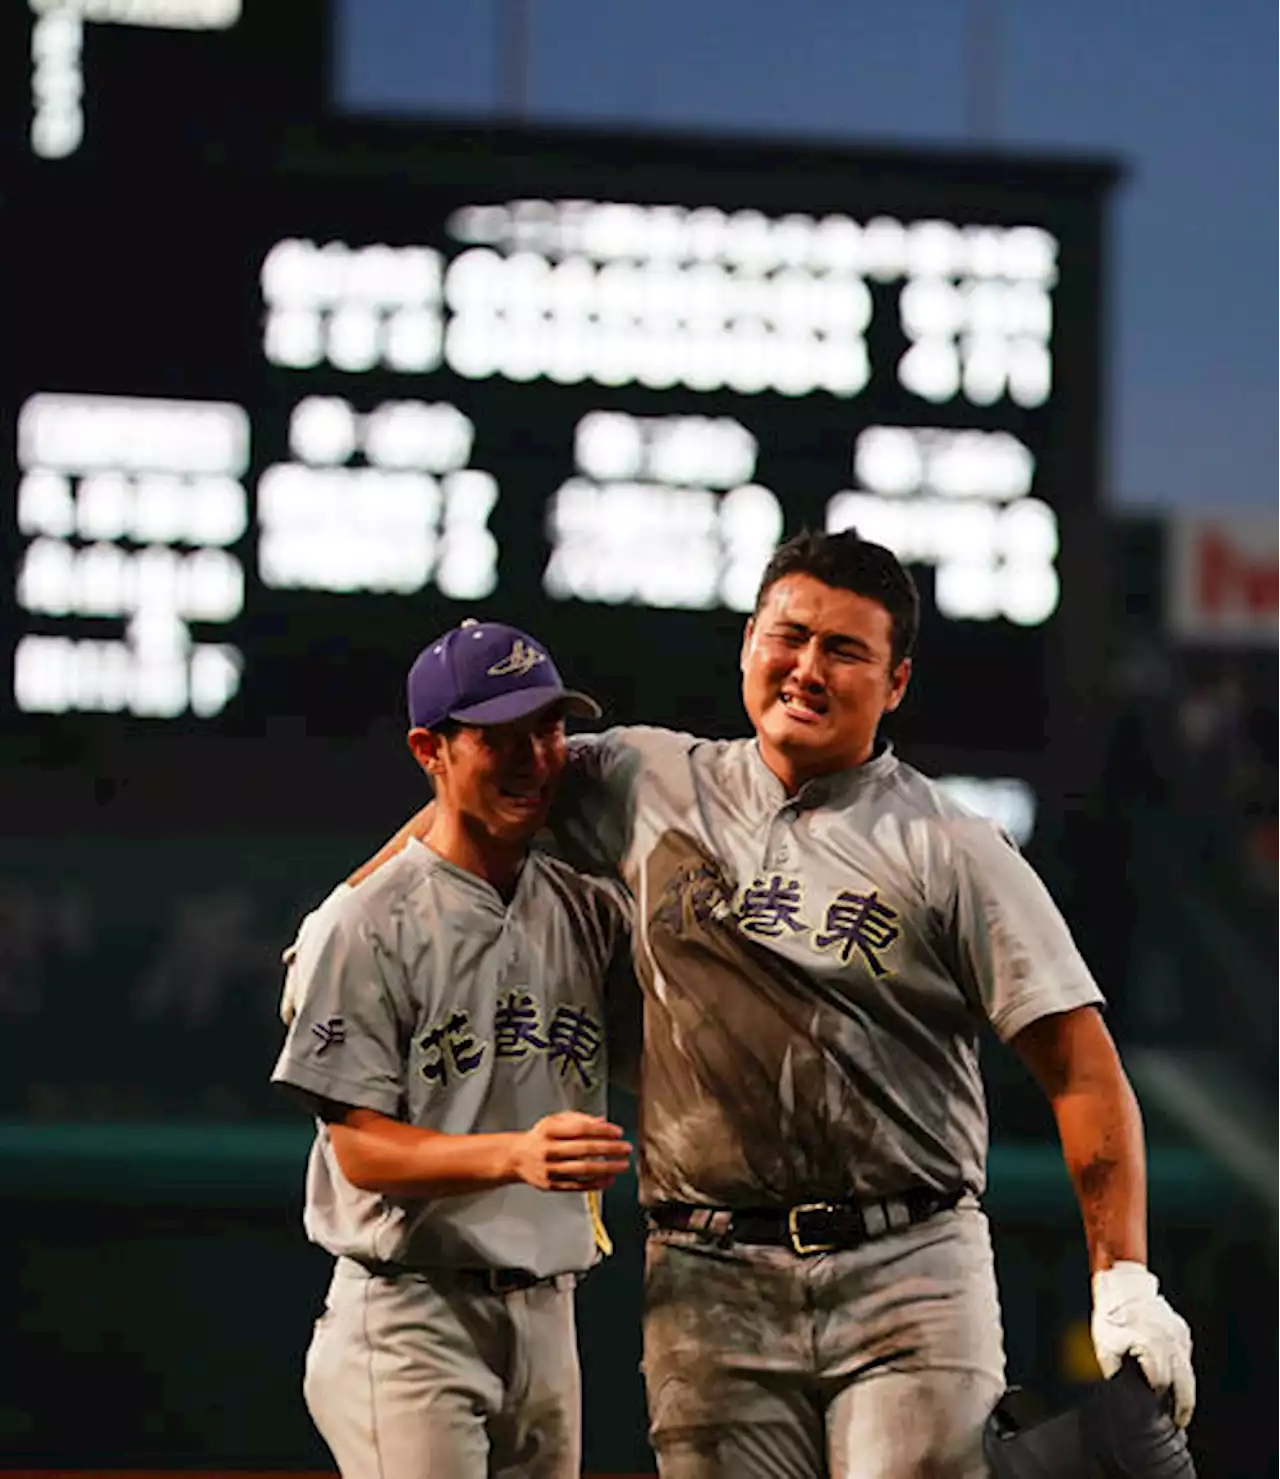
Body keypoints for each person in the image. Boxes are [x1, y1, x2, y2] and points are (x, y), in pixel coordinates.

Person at [304, 530, 1196, 1479]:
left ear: (895, 683)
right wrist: (343, 912)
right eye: (790, 635)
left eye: (845, 650)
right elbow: (469, 798)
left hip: (908, 1268)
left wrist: (1124, 1279)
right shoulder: (644, 779)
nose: (808, 667)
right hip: (707, 1276)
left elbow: (1082, 1067)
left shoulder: (954, 846)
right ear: (748, 645)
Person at [271, 618, 634, 1479]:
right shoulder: (364, 923)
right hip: (410, 1315)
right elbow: (360, 1147)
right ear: (429, 749)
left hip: (550, 1314)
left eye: (546, 730)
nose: (533, 758)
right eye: (499, 737)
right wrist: (516, 1153)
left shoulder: (588, 911)